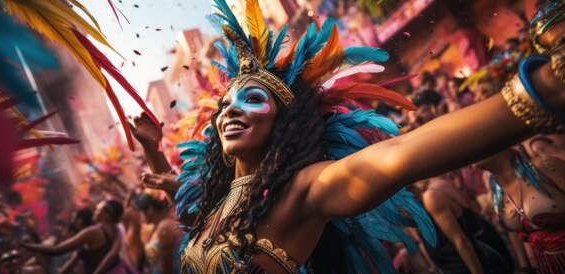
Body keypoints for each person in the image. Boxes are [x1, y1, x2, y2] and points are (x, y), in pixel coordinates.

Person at [132, 1, 565, 272]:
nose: (231, 110)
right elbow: (190, 220)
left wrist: (547, 87)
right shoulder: (221, 201)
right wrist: (154, 152)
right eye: (225, 104)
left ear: (285, 121)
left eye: (252, 99)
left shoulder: (304, 190)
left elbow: (401, 154)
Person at [476, 146, 565, 273]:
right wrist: (525, 267)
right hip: (546, 266)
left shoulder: (544, 166)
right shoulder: (495, 197)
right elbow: (524, 236)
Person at [421, 176, 514, 274]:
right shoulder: (437, 185)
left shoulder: (431, 195)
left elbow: (461, 240)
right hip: (475, 259)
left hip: (472, 263)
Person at [21, 200, 135, 274]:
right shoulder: (117, 230)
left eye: (98, 210)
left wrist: (26, 245)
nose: (94, 212)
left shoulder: (93, 232)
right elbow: (111, 256)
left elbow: (57, 250)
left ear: (107, 215)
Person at [130, 192, 182, 273]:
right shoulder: (158, 226)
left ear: (150, 209)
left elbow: (167, 264)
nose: (140, 216)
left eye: (141, 212)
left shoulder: (165, 227)